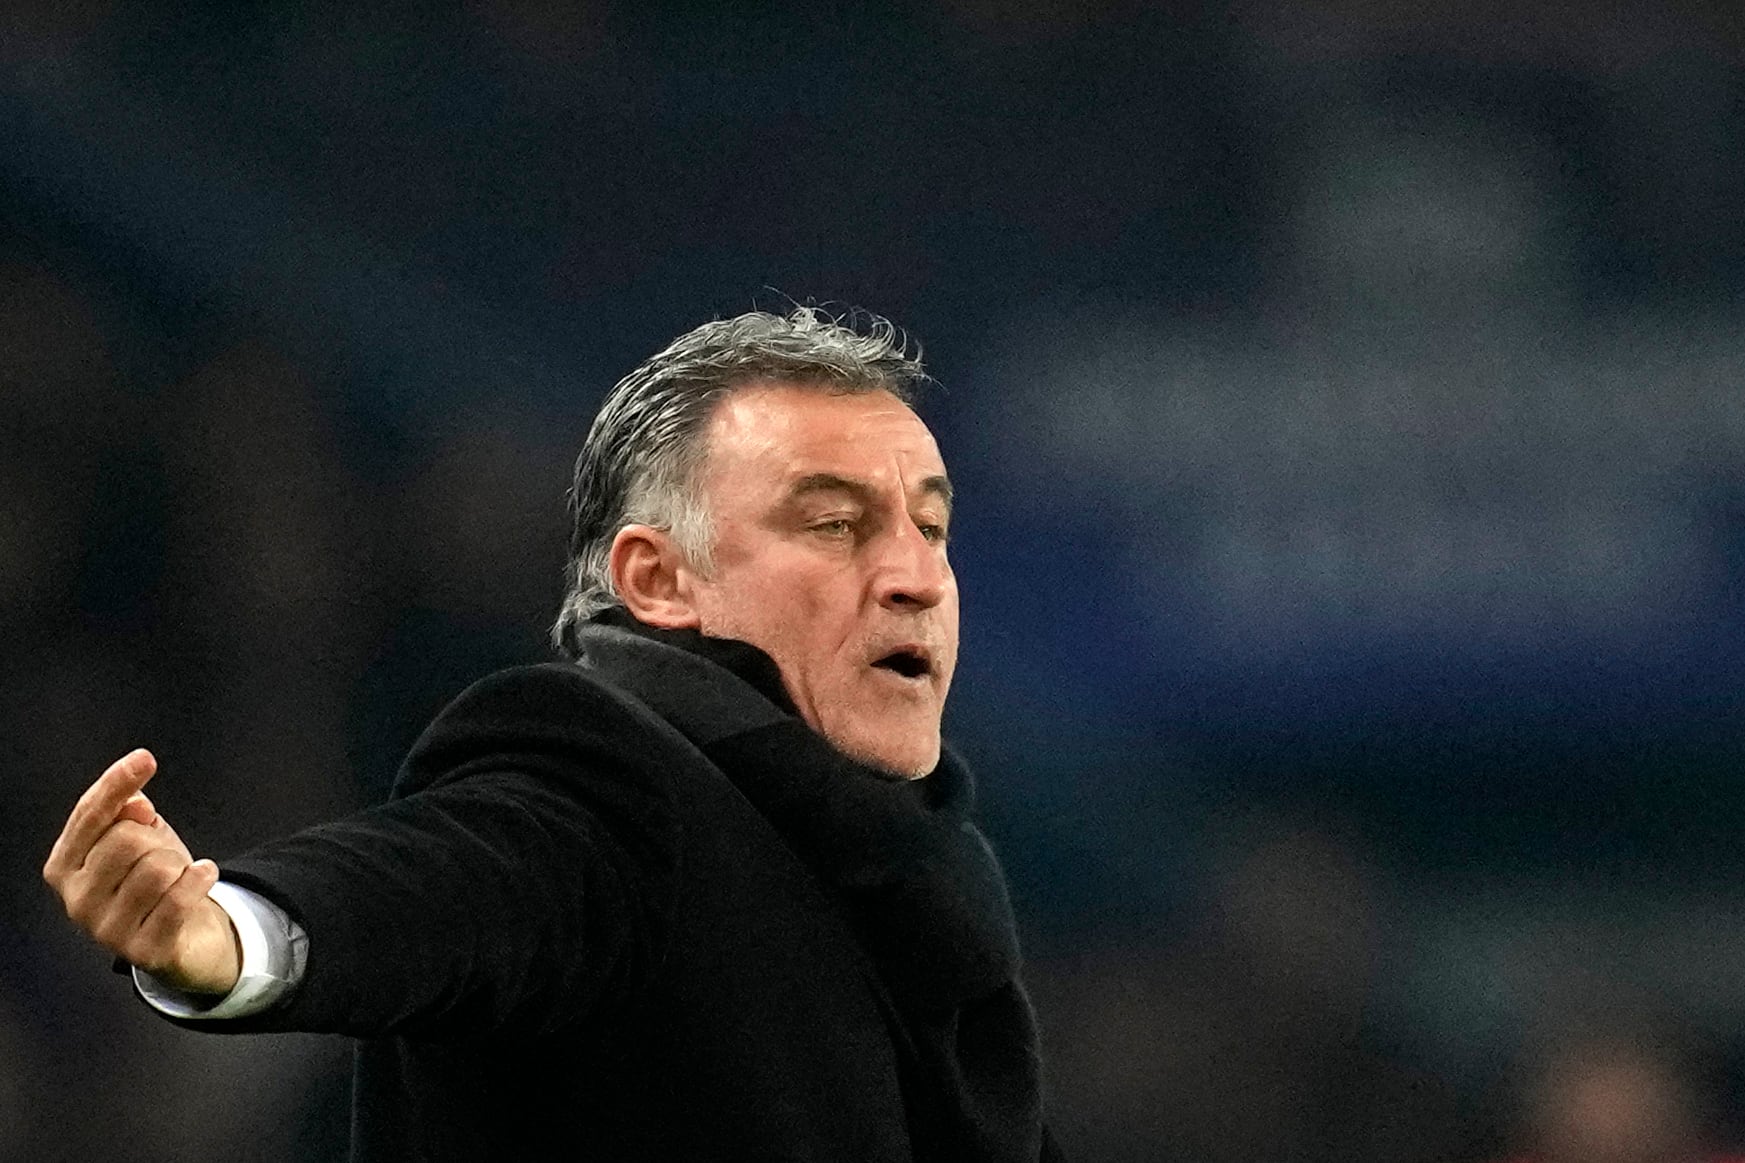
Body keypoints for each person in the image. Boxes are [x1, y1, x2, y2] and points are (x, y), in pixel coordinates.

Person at [43, 308, 1060, 1161]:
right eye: (834, 523)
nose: (916, 575)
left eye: (929, 526)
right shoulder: (608, 779)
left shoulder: (924, 889)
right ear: (658, 581)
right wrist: (226, 933)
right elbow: (446, 882)